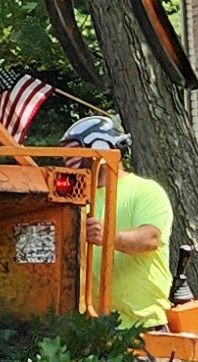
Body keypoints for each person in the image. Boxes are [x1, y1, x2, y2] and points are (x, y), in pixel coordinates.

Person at [60, 115, 173, 329]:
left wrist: (107, 237)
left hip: (141, 325)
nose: (70, 162)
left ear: (101, 148)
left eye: (76, 153)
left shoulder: (145, 191)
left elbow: (150, 238)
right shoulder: (77, 199)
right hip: (92, 325)